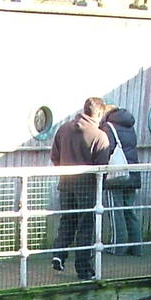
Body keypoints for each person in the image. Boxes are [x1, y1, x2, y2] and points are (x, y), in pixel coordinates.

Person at [50, 96, 112, 280]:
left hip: (66, 182)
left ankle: (58, 254)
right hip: (87, 185)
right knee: (86, 225)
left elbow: (54, 156)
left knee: (67, 221)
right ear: (99, 113)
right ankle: (83, 269)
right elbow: (102, 167)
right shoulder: (100, 136)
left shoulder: (63, 129)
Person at [101, 105, 142, 255]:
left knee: (115, 211)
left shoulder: (108, 127)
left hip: (116, 176)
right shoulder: (130, 126)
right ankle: (136, 247)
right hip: (132, 174)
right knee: (129, 211)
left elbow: (106, 149)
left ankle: (116, 247)